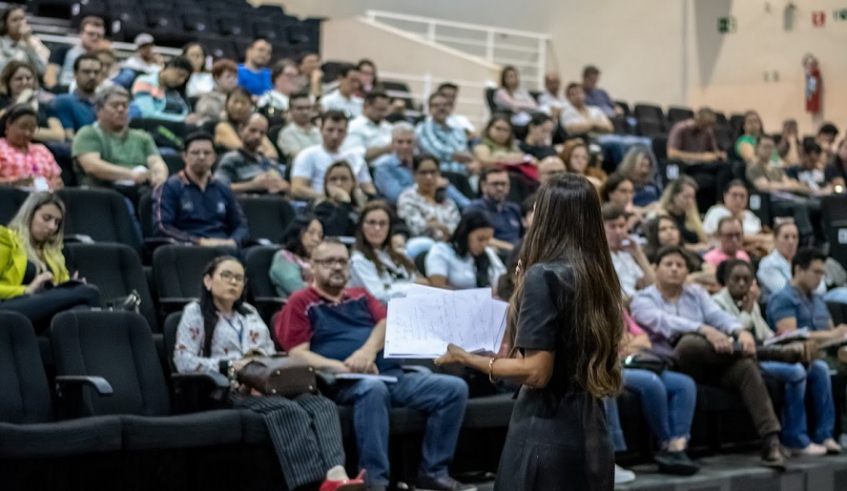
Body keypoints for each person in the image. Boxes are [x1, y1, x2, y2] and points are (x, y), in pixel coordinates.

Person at [435, 173, 624, 490]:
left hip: (545, 432)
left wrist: (467, 358)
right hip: (591, 428)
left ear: (548, 215)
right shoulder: (601, 274)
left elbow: (535, 371)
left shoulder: (543, 275)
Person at [276, 240, 474, 491]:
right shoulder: (301, 301)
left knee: (453, 388)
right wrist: (341, 366)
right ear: (312, 267)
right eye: (328, 262)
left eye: (342, 261)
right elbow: (297, 354)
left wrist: (366, 352)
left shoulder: (360, 294)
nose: (337, 267)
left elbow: (385, 323)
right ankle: (376, 481)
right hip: (343, 382)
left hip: (391, 376)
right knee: (372, 390)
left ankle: (433, 472)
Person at [174, 256, 361, 491]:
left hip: (264, 384)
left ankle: (336, 475)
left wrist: (264, 366)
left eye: (239, 278)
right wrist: (230, 366)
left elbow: (270, 352)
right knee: (289, 410)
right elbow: (183, 360)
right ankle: (310, 485)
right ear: (208, 281)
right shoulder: (195, 313)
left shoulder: (249, 312)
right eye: (227, 276)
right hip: (226, 389)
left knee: (322, 405)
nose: (233, 282)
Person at [631, 245, 786, 469]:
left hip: (713, 363)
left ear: (686, 270)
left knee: (744, 366)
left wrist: (739, 331)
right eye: (669, 265)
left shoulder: (696, 294)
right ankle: (766, 352)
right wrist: (704, 329)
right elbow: (665, 324)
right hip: (674, 365)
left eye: (680, 265)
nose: (675, 269)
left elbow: (719, 316)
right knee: (688, 343)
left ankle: (771, 442)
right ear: (655, 269)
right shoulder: (642, 299)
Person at [715, 258, 841, 456]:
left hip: (765, 353)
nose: (741, 283)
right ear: (725, 280)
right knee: (796, 371)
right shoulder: (717, 303)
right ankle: (794, 437)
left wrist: (781, 338)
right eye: (736, 279)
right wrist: (748, 311)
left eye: (746, 279)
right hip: (742, 362)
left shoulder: (751, 303)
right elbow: (730, 338)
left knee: (819, 368)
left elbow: (766, 335)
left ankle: (824, 434)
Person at [0, 192, 100, 333]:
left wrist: (69, 284)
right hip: (8, 307)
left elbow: (58, 292)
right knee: (89, 292)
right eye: (46, 218)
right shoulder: (6, 239)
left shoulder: (53, 252)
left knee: (80, 309)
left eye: (57, 222)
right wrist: (27, 290)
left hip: (40, 311)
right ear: (29, 215)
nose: (52, 227)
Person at [153, 132, 247, 247]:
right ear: (185, 156)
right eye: (195, 153)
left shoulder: (223, 189)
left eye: (207, 153)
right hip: (189, 249)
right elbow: (162, 227)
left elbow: (241, 225)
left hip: (224, 245)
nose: (201, 157)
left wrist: (233, 241)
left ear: (214, 157)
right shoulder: (170, 187)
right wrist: (199, 242)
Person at [72, 85, 168, 189]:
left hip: (140, 188)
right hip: (105, 190)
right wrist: (131, 175)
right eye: (115, 105)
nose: (121, 109)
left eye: (125, 105)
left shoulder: (142, 136)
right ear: (98, 110)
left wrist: (160, 177)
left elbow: (156, 162)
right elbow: (92, 166)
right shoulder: (88, 133)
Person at [373, 122, 467, 208]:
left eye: (409, 142)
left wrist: (469, 207)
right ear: (393, 144)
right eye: (400, 142)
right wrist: (429, 186)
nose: (405, 146)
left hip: (433, 207)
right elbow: (395, 196)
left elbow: (447, 188)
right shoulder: (384, 167)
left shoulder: (424, 163)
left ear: (415, 144)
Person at [350, 201, 424, 304]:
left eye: (382, 223)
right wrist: (414, 288)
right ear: (362, 226)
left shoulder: (399, 256)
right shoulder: (358, 260)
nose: (377, 228)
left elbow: (418, 282)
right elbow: (378, 297)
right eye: (372, 222)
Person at [746, 136, 819, 241]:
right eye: (765, 147)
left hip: (787, 197)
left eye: (771, 147)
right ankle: (806, 237)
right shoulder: (754, 167)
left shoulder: (776, 167)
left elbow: (789, 183)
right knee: (800, 206)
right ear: (757, 148)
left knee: (816, 204)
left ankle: (822, 237)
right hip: (772, 201)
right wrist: (784, 186)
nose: (768, 150)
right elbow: (764, 186)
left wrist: (782, 185)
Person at [290, 110, 375, 200]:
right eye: (330, 130)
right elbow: (297, 189)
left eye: (340, 131)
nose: (335, 136)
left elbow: (369, 188)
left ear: (346, 133)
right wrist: (330, 196)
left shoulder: (355, 157)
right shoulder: (307, 155)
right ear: (321, 130)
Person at [666, 108, 729, 212]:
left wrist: (719, 155)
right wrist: (699, 156)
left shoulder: (708, 131)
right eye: (705, 124)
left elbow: (713, 152)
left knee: (725, 167)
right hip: (685, 166)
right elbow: (671, 153)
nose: (707, 128)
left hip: (702, 166)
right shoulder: (681, 128)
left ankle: (720, 202)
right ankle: (720, 201)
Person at [425, 211, 506, 291]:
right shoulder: (441, 250)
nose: (484, 245)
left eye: (487, 240)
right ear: (465, 234)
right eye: (480, 239)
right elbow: (438, 288)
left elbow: (504, 280)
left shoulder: (488, 253)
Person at [214, 113, 287, 194]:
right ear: (241, 129)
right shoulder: (231, 159)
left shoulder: (270, 162)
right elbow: (218, 188)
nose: (257, 136)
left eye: (262, 133)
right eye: (253, 130)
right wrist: (253, 186)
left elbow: (286, 186)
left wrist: (285, 186)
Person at [397, 153, 461, 239]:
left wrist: (437, 226)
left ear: (439, 174)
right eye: (423, 173)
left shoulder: (448, 201)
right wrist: (442, 229)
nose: (429, 177)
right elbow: (416, 229)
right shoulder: (407, 198)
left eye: (433, 172)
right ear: (414, 175)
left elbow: (457, 228)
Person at [0, 104, 62, 190]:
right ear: (8, 124)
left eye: (32, 129)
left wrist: (57, 183)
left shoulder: (42, 150)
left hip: (43, 197)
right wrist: (14, 182)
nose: (27, 133)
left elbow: (57, 178)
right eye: (23, 127)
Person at [0, 61, 64, 143]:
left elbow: (59, 135)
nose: (25, 82)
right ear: (8, 82)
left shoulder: (44, 107)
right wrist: (21, 102)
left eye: (28, 78)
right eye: (18, 79)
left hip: (39, 149)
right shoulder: (2, 101)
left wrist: (21, 131)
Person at [464, 167, 523, 252]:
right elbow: (477, 238)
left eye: (503, 184)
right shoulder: (475, 209)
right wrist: (513, 249)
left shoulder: (514, 209)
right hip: (493, 254)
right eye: (495, 184)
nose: (500, 188)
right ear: (483, 186)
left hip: (517, 257)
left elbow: (522, 236)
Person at [602, 203, 654, 299]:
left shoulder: (626, 255)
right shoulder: (597, 257)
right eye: (612, 226)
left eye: (621, 226)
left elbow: (651, 285)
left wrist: (639, 254)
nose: (618, 231)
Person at [416, 91, 475, 176]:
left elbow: (464, 151)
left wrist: (470, 160)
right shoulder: (422, 128)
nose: (441, 108)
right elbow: (435, 153)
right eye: (436, 105)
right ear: (429, 109)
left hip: (463, 175)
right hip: (438, 176)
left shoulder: (458, 130)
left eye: (445, 105)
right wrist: (460, 156)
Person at [214, 87, 279, 160]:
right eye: (235, 101)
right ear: (226, 103)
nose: (239, 107)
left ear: (251, 106)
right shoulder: (222, 126)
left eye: (243, 102)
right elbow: (243, 151)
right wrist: (262, 154)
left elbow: (273, 154)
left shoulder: (253, 127)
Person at [269, 214, 323, 299]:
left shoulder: (319, 260)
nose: (316, 239)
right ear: (297, 232)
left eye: (320, 235)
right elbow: (298, 288)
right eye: (311, 232)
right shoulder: (283, 257)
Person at [44, 16, 105, 89]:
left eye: (99, 36)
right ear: (81, 34)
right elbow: (49, 78)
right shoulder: (62, 51)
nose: (95, 38)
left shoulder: (104, 58)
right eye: (91, 34)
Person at [51, 52, 101, 139]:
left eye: (96, 72)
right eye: (86, 72)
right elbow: (69, 137)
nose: (92, 76)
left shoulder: (106, 103)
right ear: (75, 73)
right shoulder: (65, 101)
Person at [311, 161, 367, 237]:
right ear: (326, 185)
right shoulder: (320, 208)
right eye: (333, 179)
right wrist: (344, 202)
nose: (338, 183)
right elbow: (333, 233)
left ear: (353, 183)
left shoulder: (362, 208)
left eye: (344, 179)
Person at [130, 56, 192, 122]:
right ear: (170, 67)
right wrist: (182, 119)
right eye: (180, 75)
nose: (181, 81)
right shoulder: (144, 82)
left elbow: (186, 112)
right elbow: (148, 114)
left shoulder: (176, 91)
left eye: (185, 79)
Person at [655, 176, 708, 251]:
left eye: (692, 197)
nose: (689, 201)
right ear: (674, 196)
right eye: (686, 197)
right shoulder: (662, 215)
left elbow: (703, 239)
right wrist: (694, 248)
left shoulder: (691, 216)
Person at [341, 91, 392, 163]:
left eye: (385, 110)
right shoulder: (354, 127)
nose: (384, 114)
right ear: (367, 105)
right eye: (380, 109)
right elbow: (355, 156)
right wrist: (385, 149)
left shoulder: (389, 127)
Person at [0, 5, 49, 75]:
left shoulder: (33, 41)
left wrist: (28, 42)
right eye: (15, 20)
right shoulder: (1, 42)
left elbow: (42, 70)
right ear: (5, 24)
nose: (20, 23)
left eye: (22, 18)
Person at [276, 91, 321, 160]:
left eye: (308, 108)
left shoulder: (319, 131)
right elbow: (298, 158)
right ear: (290, 110)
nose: (305, 112)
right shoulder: (287, 133)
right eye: (300, 108)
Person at [194, 58, 239, 123]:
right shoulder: (208, 99)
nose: (232, 80)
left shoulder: (239, 97)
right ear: (217, 78)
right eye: (228, 76)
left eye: (235, 77)